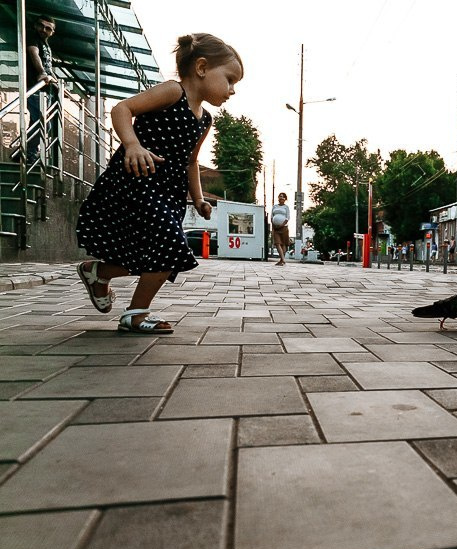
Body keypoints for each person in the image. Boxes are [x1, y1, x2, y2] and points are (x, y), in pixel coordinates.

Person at [75, 33, 243, 334]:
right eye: (230, 80)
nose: (232, 90)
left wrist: (199, 199)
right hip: (138, 183)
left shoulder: (205, 120)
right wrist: (132, 144)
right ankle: (135, 315)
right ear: (202, 67)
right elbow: (122, 109)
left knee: (152, 253)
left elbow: (191, 162)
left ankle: (98, 272)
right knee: (170, 247)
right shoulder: (172, 92)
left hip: (169, 193)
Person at [25, 15, 56, 163]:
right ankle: (28, 152)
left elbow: (48, 67)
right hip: (35, 88)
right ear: (35, 25)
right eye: (41, 25)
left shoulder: (46, 45)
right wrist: (42, 73)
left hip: (46, 91)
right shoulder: (32, 38)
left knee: (35, 122)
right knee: (44, 123)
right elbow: (33, 54)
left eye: (48, 28)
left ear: (52, 32)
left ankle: (24, 152)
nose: (43, 30)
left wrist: (56, 81)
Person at [271, 192, 290, 265]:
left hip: (283, 227)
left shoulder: (286, 207)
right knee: (277, 243)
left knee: (283, 244)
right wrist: (273, 225)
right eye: (280, 196)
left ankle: (282, 260)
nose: (281, 198)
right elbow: (272, 216)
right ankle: (283, 259)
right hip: (276, 228)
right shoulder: (275, 206)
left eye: (282, 196)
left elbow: (287, 218)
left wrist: (282, 225)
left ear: (285, 199)